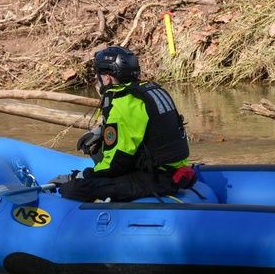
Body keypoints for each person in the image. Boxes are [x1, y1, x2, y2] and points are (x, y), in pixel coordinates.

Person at [50, 45, 196, 202]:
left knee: (73, 190)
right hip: (171, 170)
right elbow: (146, 127)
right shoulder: (152, 91)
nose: (95, 78)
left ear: (108, 78)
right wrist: (102, 131)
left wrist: (82, 175)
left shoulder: (122, 104)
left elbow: (116, 162)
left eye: (98, 74)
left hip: (156, 178)